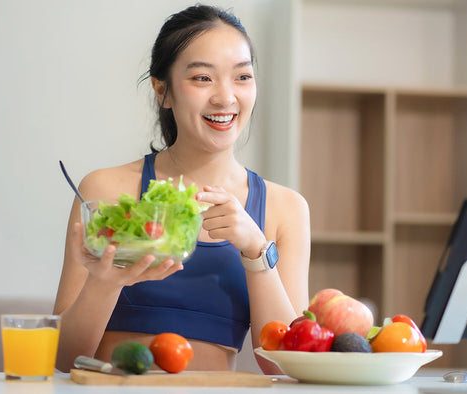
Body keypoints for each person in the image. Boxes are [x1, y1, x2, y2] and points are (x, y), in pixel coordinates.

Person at [53, 4, 310, 374]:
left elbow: (287, 366)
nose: (225, 97)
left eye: (242, 77)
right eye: (203, 78)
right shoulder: (106, 189)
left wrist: (256, 252)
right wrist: (105, 283)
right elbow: (63, 359)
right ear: (163, 91)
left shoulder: (285, 209)